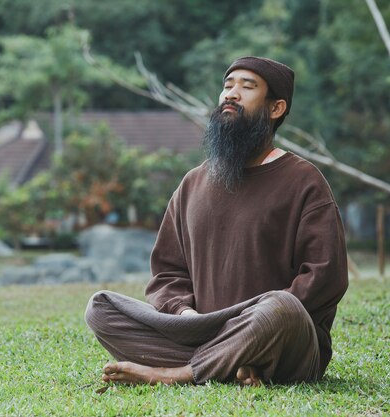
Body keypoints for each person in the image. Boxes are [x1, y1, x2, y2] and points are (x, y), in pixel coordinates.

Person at [84, 56, 349, 387]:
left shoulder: (304, 180)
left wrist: (247, 321)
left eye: (247, 87)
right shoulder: (193, 183)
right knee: (102, 308)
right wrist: (185, 315)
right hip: (202, 330)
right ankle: (232, 366)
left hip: (281, 338)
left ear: (276, 108)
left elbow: (325, 277)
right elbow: (167, 272)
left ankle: (179, 373)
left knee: (281, 306)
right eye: (227, 86)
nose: (231, 94)